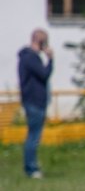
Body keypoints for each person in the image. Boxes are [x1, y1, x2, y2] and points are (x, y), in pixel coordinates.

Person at [18, 29, 54, 179]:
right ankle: (31, 168)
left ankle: (31, 166)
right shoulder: (31, 58)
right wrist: (50, 59)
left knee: (33, 136)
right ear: (39, 42)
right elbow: (44, 74)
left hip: (33, 100)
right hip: (34, 101)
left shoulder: (27, 58)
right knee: (33, 136)